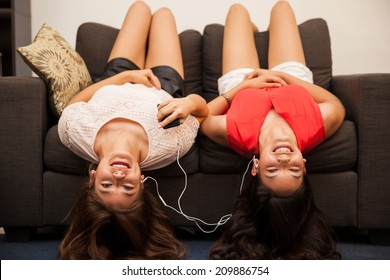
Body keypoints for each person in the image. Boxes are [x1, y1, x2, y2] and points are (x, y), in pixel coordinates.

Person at [57, 1, 208, 259]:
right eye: (126, 188)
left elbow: (74, 105)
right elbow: (203, 113)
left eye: (107, 185)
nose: (118, 176)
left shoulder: (77, 136)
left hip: (115, 80)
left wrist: (123, 78)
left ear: (92, 179)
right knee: (163, 14)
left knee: (139, 7)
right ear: (141, 183)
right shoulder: (169, 149)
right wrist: (187, 103)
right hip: (165, 85)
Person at [200, 1, 344, 259]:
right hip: (291, 78)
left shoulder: (236, 133)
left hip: (242, 81)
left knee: (237, 12)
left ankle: (253, 31)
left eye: (273, 169)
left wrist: (241, 89)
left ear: (256, 166)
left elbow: (203, 118)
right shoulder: (315, 127)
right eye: (294, 169)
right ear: (304, 164)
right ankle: (261, 37)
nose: (284, 159)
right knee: (281, 7)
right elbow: (335, 104)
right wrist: (285, 78)